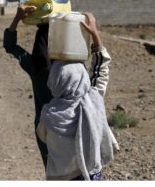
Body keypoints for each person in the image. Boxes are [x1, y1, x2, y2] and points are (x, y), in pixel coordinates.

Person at [36, 12, 116, 181]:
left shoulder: (48, 115)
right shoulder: (93, 101)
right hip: (90, 174)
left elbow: (42, 137)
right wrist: (95, 34)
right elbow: (101, 71)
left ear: (54, 82)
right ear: (83, 79)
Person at [3, 6, 51, 168]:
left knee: (52, 171)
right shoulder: (69, 68)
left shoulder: (34, 66)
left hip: (44, 127)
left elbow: (10, 46)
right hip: (70, 126)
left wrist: (17, 18)